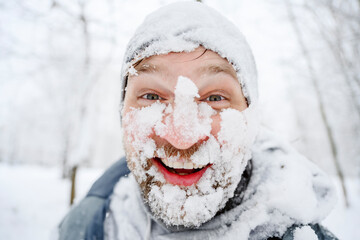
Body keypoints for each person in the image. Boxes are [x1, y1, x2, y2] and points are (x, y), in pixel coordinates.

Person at [58, 2, 339, 240]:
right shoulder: (84, 227)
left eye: (215, 98)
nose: (181, 136)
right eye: (152, 97)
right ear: (122, 113)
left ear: (251, 120)